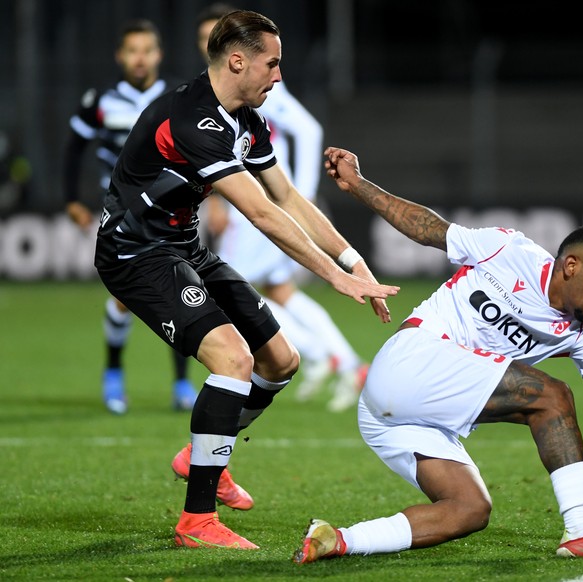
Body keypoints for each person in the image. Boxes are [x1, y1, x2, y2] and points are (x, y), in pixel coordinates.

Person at [294, 147, 583, 562]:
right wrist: (358, 184)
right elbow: (428, 228)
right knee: (551, 396)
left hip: (395, 416)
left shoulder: (582, 329)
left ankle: (339, 540)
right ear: (571, 266)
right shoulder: (509, 250)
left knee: (469, 509)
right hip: (412, 360)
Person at [93, 12, 398, 549]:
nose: (278, 76)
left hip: (182, 246)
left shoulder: (245, 120)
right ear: (238, 61)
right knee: (233, 359)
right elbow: (261, 214)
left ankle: (201, 455)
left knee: (280, 360)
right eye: (271, 63)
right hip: (134, 253)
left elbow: (288, 197)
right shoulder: (192, 119)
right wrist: (333, 277)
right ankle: (197, 521)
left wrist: (352, 260)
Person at [197, 3, 369, 412]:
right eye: (203, 37)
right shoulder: (219, 88)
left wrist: (300, 196)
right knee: (280, 291)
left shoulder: (255, 83)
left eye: (214, 34)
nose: (208, 43)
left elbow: (307, 129)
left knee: (230, 290)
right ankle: (344, 362)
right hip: (251, 197)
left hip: (264, 202)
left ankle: (321, 356)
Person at [63, 19, 198, 414]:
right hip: (123, 213)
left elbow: (203, 151)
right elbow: (73, 149)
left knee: (185, 291)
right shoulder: (102, 100)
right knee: (124, 298)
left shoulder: (178, 96)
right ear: (120, 56)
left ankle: (181, 384)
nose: (140, 58)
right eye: (132, 51)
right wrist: (72, 200)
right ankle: (113, 373)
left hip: (174, 209)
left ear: (159, 55)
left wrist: (219, 202)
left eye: (147, 50)